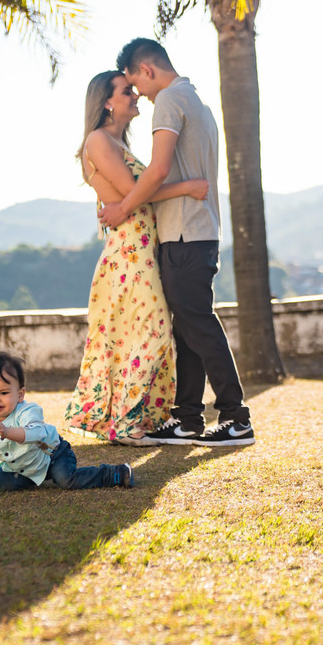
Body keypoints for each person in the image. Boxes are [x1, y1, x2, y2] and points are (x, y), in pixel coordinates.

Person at [98, 38, 254, 447]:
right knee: (187, 327)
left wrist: (122, 208)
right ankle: (188, 419)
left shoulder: (169, 100)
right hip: (192, 231)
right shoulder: (195, 100)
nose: (139, 95)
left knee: (197, 323)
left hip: (186, 232)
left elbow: (157, 171)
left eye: (136, 84)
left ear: (147, 71)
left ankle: (236, 418)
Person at [63, 70, 209, 446]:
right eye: (126, 91)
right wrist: (188, 188)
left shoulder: (115, 143)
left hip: (142, 251)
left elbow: (133, 193)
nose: (136, 96)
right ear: (107, 102)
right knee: (154, 329)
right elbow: (134, 191)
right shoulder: (97, 140)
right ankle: (126, 424)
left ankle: (130, 421)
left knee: (136, 334)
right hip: (129, 254)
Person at [0, 351, 133, 502]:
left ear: (20, 394)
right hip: (23, 468)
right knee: (0, 484)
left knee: (67, 480)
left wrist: (8, 432)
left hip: (53, 455)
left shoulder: (28, 411)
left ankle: (114, 473)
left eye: (3, 392)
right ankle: (31, 478)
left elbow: (36, 432)